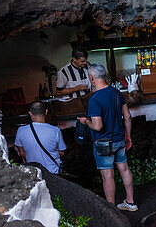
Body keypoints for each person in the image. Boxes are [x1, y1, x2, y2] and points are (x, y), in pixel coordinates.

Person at [76, 64, 136, 211]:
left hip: (103, 143)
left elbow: (97, 126)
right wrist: (128, 135)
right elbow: (127, 116)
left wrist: (85, 121)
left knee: (107, 175)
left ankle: (113, 210)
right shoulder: (116, 92)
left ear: (92, 78)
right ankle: (130, 202)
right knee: (124, 169)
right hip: (119, 138)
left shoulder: (95, 99)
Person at [14, 101, 65, 174]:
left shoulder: (20, 131)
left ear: (30, 114)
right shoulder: (56, 130)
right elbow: (62, 152)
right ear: (46, 112)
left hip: (34, 173)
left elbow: (22, 153)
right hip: (53, 172)